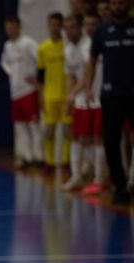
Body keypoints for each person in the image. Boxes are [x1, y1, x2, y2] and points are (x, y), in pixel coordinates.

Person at [83, 0, 134, 205]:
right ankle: (119, 186)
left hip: (133, 93)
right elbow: (92, 60)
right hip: (111, 95)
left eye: (121, 2)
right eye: (114, 3)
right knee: (111, 142)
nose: (118, 6)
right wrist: (88, 88)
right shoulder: (102, 30)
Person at [64, 12, 108, 193]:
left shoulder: (92, 45)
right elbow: (71, 76)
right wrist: (71, 97)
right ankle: (77, 177)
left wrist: (73, 94)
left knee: (98, 138)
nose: (69, 31)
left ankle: (100, 179)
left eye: (73, 27)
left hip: (99, 98)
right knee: (77, 137)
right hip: (82, 100)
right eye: (66, 28)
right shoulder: (68, 49)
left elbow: (86, 75)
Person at [1, 16, 43, 168]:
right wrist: (12, 72)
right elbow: (4, 62)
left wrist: (37, 77)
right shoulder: (7, 45)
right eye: (8, 28)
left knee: (33, 125)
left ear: (18, 27)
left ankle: (38, 156)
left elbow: (40, 59)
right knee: (20, 126)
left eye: (13, 27)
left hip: (28, 90)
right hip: (15, 92)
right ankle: (26, 156)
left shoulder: (28, 43)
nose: (10, 30)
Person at [38, 12, 71, 171]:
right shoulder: (43, 48)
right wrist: (40, 96)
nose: (54, 27)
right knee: (49, 131)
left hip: (66, 95)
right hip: (49, 96)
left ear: (61, 26)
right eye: (52, 24)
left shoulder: (67, 46)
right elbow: (40, 75)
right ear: (48, 26)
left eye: (57, 24)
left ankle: (65, 161)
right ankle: (49, 162)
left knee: (67, 131)